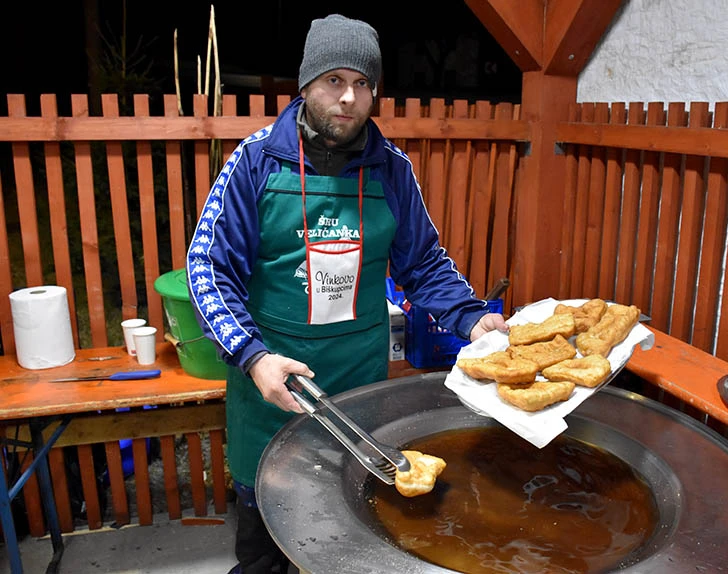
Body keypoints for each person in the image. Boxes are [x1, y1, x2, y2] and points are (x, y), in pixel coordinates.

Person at [186, 13, 508, 574]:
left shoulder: (392, 171)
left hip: (361, 397)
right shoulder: (256, 162)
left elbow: (424, 263)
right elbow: (208, 269)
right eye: (334, 80)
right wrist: (253, 357)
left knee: (351, 542)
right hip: (274, 389)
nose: (348, 98)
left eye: (362, 84)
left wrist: (469, 317)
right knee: (265, 550)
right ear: (306, 84)